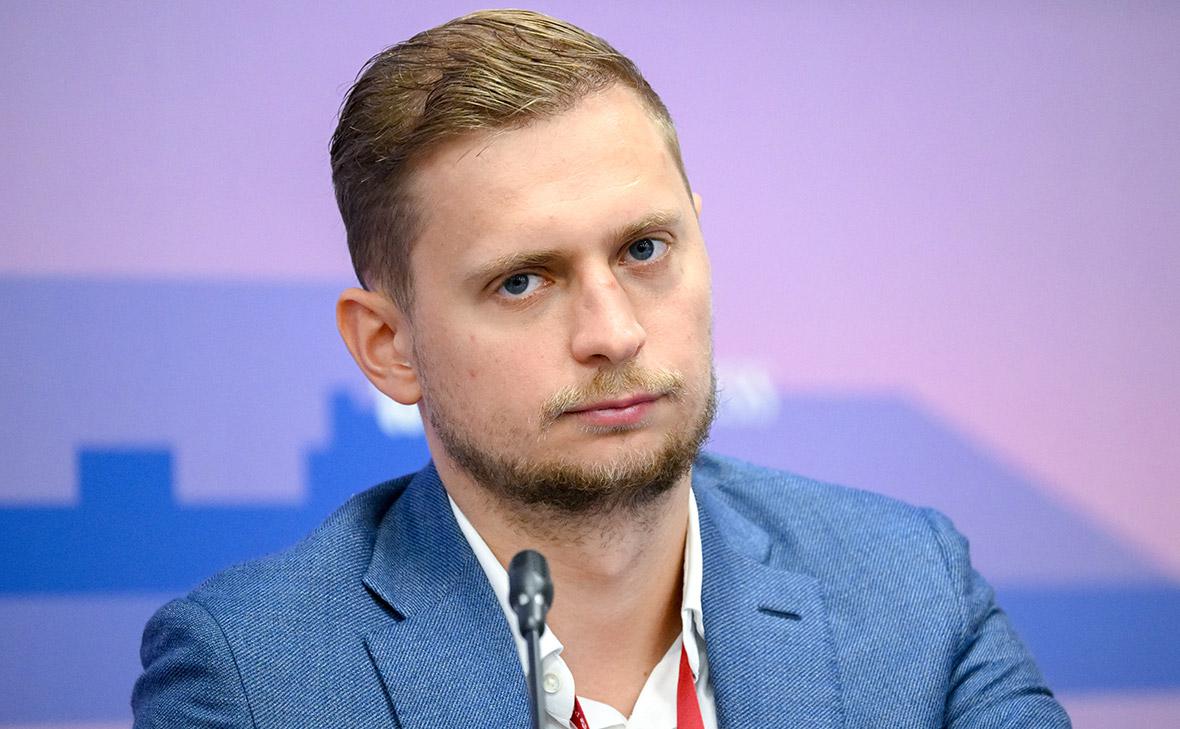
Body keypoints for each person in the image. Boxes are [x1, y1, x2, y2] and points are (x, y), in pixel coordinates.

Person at [132, 9, 1070, 728]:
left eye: (644, 250)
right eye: (522, 281)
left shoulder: (912, 588)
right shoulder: (254, 679)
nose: (614, 333)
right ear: (389, 346)